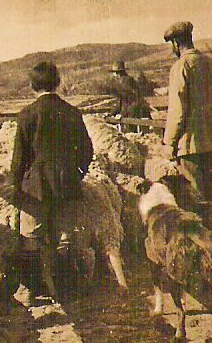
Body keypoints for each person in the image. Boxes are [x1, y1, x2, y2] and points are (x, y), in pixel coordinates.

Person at [10, 61, 94, 302]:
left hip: (35, 188)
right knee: (65, 236)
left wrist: (15, 186)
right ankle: (67, 288)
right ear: (58, 83)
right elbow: (87, 150)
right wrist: (76, 173)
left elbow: (20, 157)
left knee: (31, 238)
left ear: (32, 86)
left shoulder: (27, 114)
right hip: (67, 185)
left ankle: (30, 290)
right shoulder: (72, 112)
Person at [161, 21, 212, 205]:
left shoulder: (181, 66)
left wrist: (169, 143)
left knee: (196, 200)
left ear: (175, 43)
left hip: (190, 144)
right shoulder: (211, 64)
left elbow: (178, 111)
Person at [108, 61, 152, 132]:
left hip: (135, 110)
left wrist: (123, 114)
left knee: (132, 131)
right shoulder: (118, 82)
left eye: (117, 72)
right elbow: (121, 100)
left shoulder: (128, 81)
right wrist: (111, 113)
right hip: (127, 111)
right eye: (114, 72)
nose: (115, 74)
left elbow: (135, 99)